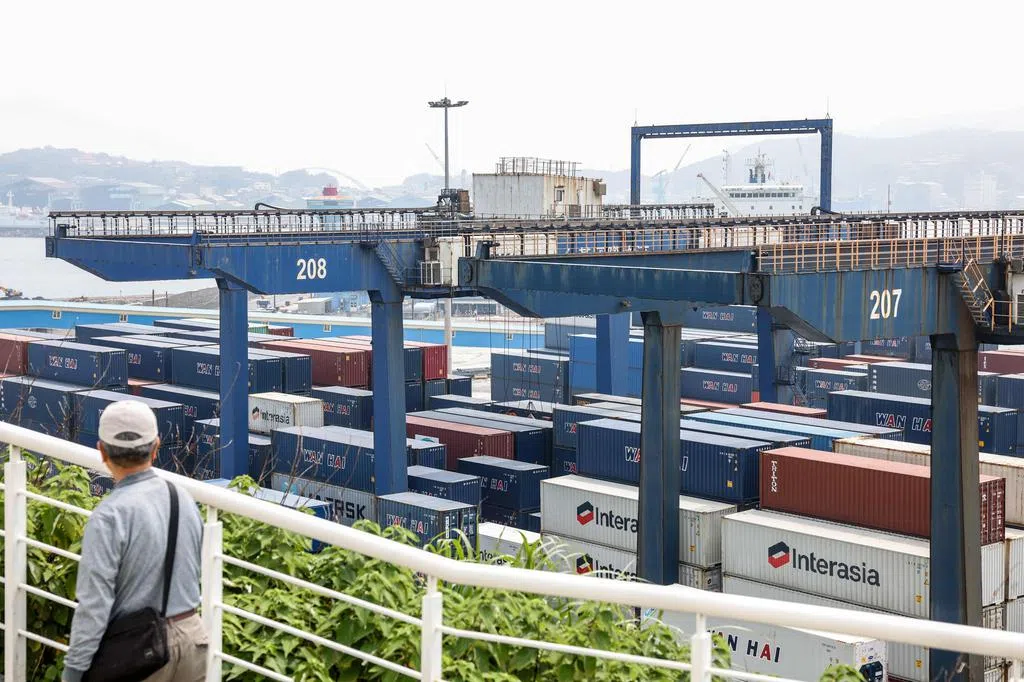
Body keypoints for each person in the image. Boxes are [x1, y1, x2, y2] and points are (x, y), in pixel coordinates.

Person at [63, 401, 207, 682]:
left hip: (139, 652)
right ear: (156, 447)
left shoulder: (109, 516)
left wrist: (73, 672)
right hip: (193, 642)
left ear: (102, 452)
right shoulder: (182, 498)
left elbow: (93, 608)